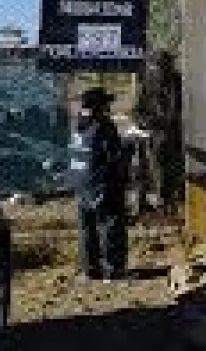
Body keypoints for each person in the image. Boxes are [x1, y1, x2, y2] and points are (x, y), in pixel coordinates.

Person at [74, 87, 129, 282]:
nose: (108, 107)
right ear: (98, 105)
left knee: (86, 228)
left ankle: (88, 270)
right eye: (105, 103)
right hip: (102, 183)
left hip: (81, 183)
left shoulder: (79, 123)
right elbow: (114, 156)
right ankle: (113, 270)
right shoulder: (104, 126)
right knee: (110, 224)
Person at [132, 50, 185, 217]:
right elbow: (137, 112)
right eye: (161, 65)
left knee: (176, 169)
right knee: (157, 168)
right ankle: (161, 202)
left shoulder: (179, 81)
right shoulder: (148, 82)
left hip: (177, 135)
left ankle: (172, 201)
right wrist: (148, 124)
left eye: (167, 64)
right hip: (156, 136)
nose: (165, 68)